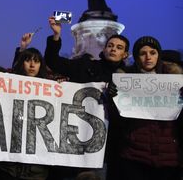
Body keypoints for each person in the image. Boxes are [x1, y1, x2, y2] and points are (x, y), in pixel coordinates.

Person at [44, 16, 130, 179]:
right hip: (74, 140)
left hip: (106, 149)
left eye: (119, 47)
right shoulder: (85, 66)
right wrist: (56, 36)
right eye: (110, 45)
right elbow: (53, 61)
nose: (113, 49)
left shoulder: (130, 79)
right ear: (104, 49)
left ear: (125, 54)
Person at [107, 36, 183, 180]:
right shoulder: (125, 81)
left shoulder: (176, 81)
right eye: (143, 53)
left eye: (153, 53)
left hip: (169, 158)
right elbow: (117, 121)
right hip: (134, 156)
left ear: (158, 55)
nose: (148, 57)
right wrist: (113, 98)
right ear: (136, 57)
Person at [0, 32, 49, 180]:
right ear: (22, 63)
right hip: (7, 166)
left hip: (36, 168)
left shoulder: (50, 89)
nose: (32, 65)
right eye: (28, 60)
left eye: (36, 61)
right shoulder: (8, 82)